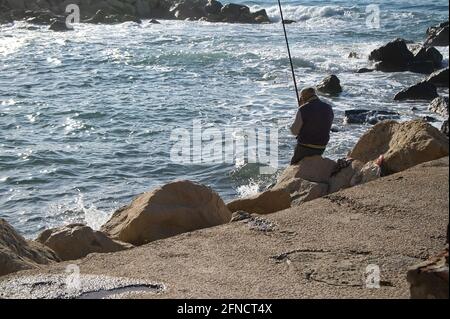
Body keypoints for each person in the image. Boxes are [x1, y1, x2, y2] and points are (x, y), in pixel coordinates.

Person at [290, 87, 334, 165]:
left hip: (305, 147)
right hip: (321, 147)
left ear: (303, 97)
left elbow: (294, 131)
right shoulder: (329, 108)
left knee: (293, 165)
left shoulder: (303, 109)